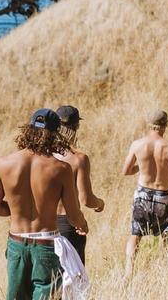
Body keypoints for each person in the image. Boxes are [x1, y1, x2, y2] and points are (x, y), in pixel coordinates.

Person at [0, 108, 89, 300]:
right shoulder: (61, 169)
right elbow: (73, 216)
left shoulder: (5, 163)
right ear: (55, 133)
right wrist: (82, 224)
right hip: (46, 244)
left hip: (17, 244)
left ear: (28, 129)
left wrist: (18, 208)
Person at [121, 109, 168, 277]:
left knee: (135, 234)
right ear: (165, 125)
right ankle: (162, 269)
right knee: (165, 234)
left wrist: (141, 166)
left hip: (142, 194)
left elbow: (126, 170)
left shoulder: (137, 144)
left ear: (149, 125)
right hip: (162, 196)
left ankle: (129, 272)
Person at [53, 105, 105, 265]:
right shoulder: (78, 159)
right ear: (77, 127)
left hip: (42, 224)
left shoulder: (42, 155)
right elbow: (86, 199)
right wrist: (100, 203)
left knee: (50, 282)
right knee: (75, 281)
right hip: (68, 224)